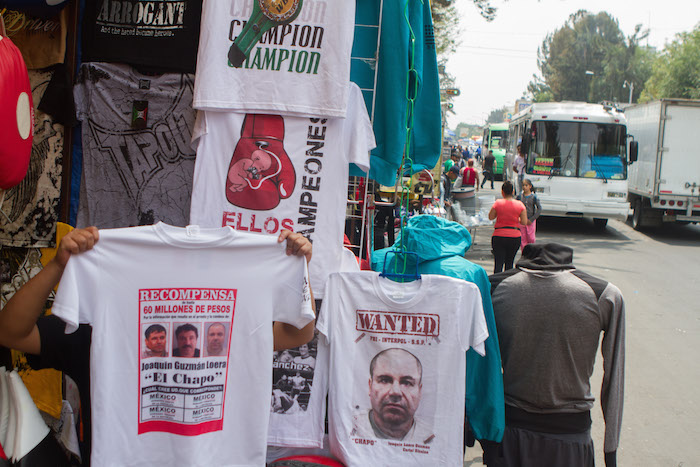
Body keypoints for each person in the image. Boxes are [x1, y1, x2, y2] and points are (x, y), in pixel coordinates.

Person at [0, 227, 316, 464]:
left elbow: (299, 333)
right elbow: (9, 332)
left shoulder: (224, 333)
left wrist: (300, 270)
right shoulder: (94, 330)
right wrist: (58, 266)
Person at [486, 243, 625, 467]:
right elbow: (615, 377)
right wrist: (611, 453)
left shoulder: (493, 288)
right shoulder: (603, 294)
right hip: (570, 437)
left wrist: (479, 431)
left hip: (511, 432)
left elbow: (475, 366)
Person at [352, 348, 434, 443]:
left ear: (420, 391)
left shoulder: (431, 439)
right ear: (370, 386)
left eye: (407, 383)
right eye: (385, 380)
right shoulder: (348, 428)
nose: (395, 392)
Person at [488, 181, 527, 273]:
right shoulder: (520, 205)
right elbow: (524, 222)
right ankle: (507, 283)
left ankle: (495, 285)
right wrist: (516, 219)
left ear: (502, 192)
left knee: (498, 263)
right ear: (513, 191)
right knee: (509, 263)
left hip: (499, 236)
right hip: (514, 237)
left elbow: (491, 217)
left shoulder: (498, 203)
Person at [516, 179, 542, 251]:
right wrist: (518, 218)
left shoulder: (534, 197)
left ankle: (531, 252)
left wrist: (532, 219)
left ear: (530, 186)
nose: (524, 187)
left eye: (526, 185)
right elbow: (516, 207)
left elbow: (539, 209)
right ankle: (524, 253)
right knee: (523, 239)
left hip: (530, 220)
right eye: (523, 185)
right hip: (521, 221)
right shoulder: (519, 197)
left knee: (531, 238)